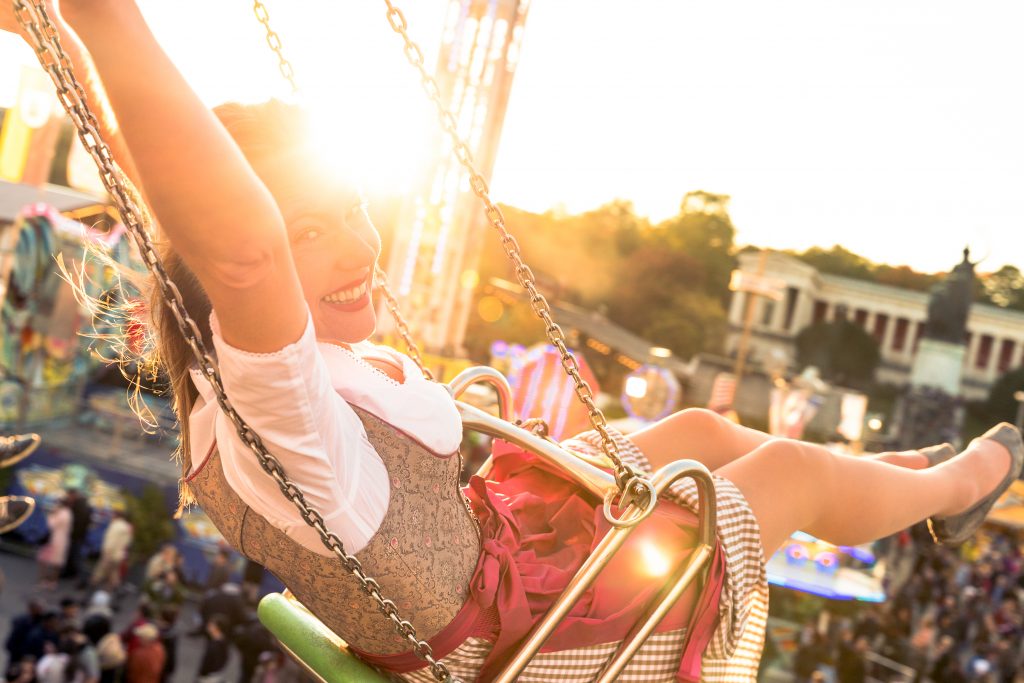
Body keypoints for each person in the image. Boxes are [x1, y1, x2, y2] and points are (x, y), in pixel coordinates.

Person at [3, 4, 1021, 680]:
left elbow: (170, 195)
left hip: (498, 549)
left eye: (353, 207)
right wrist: (106, 16)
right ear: (244, 259)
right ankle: (955, 487)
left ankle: (887, 477)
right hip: (532, 633)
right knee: (786, 469)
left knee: (706, 426)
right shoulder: (278, 399)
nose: (356, 244)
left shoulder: (259, 385)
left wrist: (65, 43)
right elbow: (231, 245)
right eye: (302, 231)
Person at [91, 511, 133, 591]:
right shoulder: (126, 527)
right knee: (113, 575)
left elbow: (111, 542)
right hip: (119, 555)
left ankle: (88, 594)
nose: (111, 517)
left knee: (98, 573)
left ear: (116, 516)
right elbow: (127, 542)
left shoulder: (115, 526)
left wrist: (106, 553)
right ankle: (115, 594)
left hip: (110, 554)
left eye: (112, 515)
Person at [37, 498, 72, 590]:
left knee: (44, 560)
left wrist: (52, 514)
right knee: (56, 563)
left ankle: (45, 580)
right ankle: (53, 582)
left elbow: (51, 524)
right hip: (61, 541)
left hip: (54, 540)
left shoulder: (60, 513)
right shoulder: (68, 513)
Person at [63, 488, 93, 582]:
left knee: (73, 556)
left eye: (69, 496)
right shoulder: (84, 505)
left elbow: (76, 522)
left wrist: (72, 534)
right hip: (79, 535)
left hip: (75, 536)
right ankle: (72, 573)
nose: (69, 498)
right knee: (74, 555)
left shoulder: (78, 506)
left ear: (73, 495)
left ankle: (75, 575)